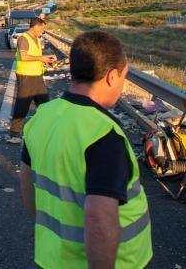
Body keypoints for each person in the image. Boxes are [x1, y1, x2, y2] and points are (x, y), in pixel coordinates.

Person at [19, 31, 152, 269]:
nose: (122, 84)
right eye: (124, 77)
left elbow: (27, 185)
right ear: (112, 76)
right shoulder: (103, 134)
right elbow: (99, 216)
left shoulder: (42, 116)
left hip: (52, 257)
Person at [10, 17, 56, 139]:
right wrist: (42, 58)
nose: (43, 31)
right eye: (42, 28)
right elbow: (24, 57)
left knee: (45, 105)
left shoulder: (36, 38)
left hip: (37, 76)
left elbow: (35, 57)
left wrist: (46, 60)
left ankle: (48, 129)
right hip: (26, 76)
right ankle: (14, 131)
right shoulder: (24, 38)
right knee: (22, 105)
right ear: (36, 26)